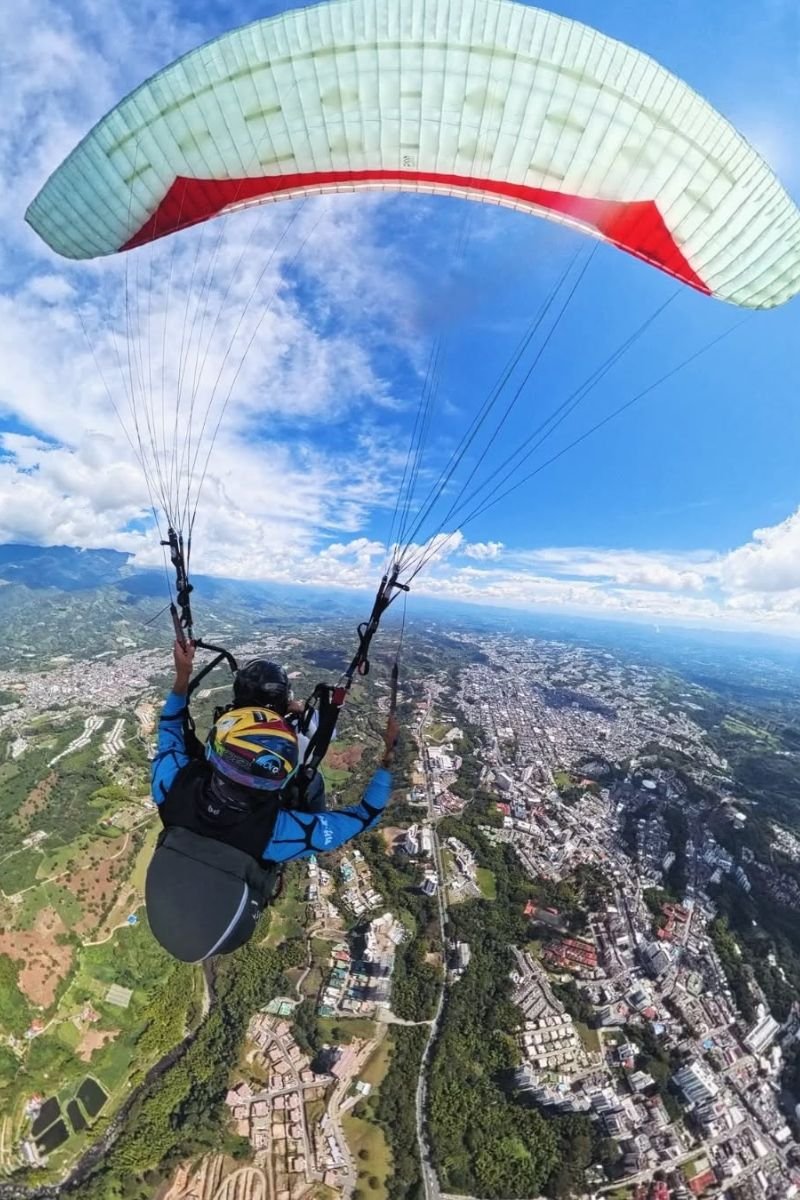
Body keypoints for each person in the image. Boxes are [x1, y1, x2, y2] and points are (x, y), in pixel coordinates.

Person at [146, 640, 397, 963]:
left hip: (180, 895)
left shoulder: (174, 783)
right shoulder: (277, 832)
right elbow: (366, 815)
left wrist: (183, 676)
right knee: (311, 783)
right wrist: (389, 756)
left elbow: (170, 728)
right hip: (218, 908)